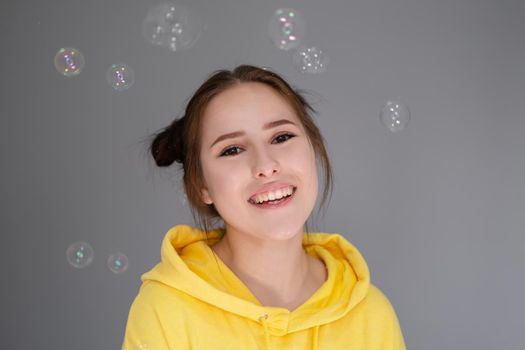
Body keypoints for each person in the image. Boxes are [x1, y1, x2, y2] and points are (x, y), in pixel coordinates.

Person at [121, 65, 406, 350]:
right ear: (201, 184)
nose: (266, 166)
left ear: (313, 148)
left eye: (281, 137)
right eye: (232, 149)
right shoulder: (164, 310)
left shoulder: (371, 313)